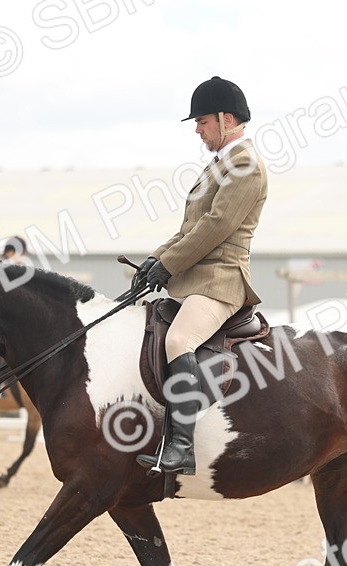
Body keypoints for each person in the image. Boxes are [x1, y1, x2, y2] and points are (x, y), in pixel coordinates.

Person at [133, 76, 268, 476]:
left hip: (221, 280)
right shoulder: (218, 166)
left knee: (179, 339)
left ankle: (180, 447)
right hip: (194, 279)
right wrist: (152, 262)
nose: (198, 129)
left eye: (203, 121)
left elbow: (215, 226)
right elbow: (188, 229)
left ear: (228, 119)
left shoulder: (245, 165)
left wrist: (169, 265)